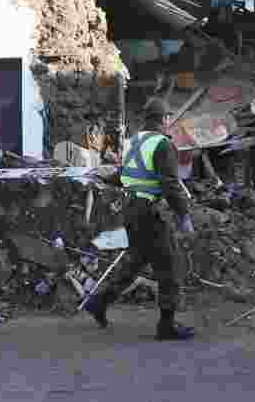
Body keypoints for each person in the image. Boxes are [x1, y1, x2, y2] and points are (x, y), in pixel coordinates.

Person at [83, 97, 196, 341]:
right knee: (169, 267)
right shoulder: (162, 144)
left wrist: (105, 177)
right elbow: (170, 184)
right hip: (149, 213)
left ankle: (99, 302)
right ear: (164, 119)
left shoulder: (133, 142)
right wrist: (183, 215)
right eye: (167, 117)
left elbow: (125, 176)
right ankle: (166, 326)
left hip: (131, 210)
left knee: (135, 262)